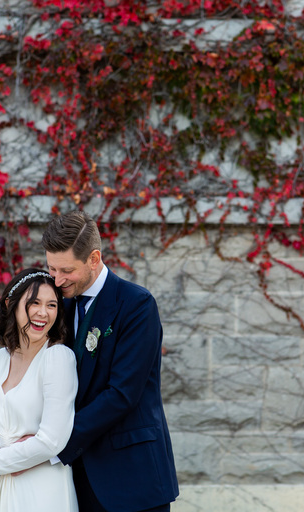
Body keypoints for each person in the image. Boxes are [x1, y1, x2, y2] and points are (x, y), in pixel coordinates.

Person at [42, 210, 179, 512]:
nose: (57, 280)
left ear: (94, 258)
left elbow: (122, 394)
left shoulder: (137, 305)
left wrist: (48, 443)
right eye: (51, 268)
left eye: (66, 270)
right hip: (73, 482)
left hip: (132, 478)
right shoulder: (56, 305)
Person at [0, 269, 78, 512]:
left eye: (51, 305)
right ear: (11, 304)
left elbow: (52, 440)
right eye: (34, 303)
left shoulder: (58, 358)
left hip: (42, 488)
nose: (43, 313)